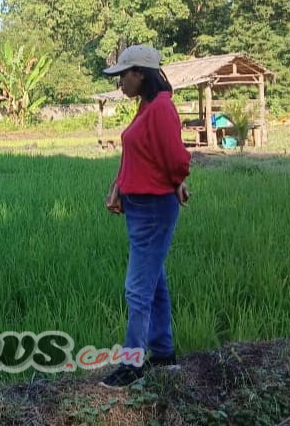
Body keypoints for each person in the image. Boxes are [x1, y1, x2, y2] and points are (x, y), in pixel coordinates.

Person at [99, 45, 191, 389]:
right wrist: (118, 186)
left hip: (154, 208)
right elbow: (138, 154)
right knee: (154, 283)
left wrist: (177, 181)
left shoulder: (162, 108)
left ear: (141, 73)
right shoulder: (146, 107)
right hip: (139, 205)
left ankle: (133, 362)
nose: (120, 81)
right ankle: (164, 354)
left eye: (124, 74)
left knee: (137, 287)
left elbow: (175, 158)